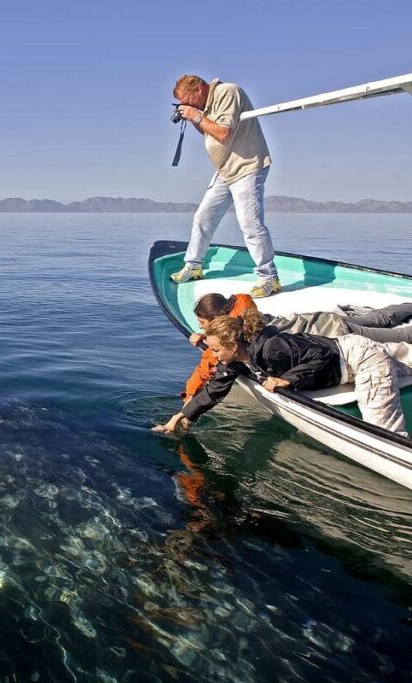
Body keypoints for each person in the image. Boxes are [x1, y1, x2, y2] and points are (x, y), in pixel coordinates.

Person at [155, 308, 412, 437]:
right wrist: (181, 416)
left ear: (232, 346)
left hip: (359, 359)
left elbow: (323, 354)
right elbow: (214, 390)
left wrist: (286, 379)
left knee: (383, 431)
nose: (213, 354)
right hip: (352, 362)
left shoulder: (271, 348)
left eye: (216, 349)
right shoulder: (236, 360)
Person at [182, 293, 412, 403]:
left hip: (334, 334)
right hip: (323, 321)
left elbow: (210, 363)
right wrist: (205, 335)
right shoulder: (243, 316)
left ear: (216, 320)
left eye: (202, 323)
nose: (200, 327)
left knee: (398, 335)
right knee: (381, 318)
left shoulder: (239, 337)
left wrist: (190, 394)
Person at [170, 75, 280, 299]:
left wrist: (195, 115)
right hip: (225, 170)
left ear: (199, 89)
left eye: (188, 101)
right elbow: (209, 131)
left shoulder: (227, 92)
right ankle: (194, 266)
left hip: (247, 166)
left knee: (250, 225)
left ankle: (269, 278)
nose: (187, 106)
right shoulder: (205, 105)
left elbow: (224, 132)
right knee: (202, 218)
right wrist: (193, 118)